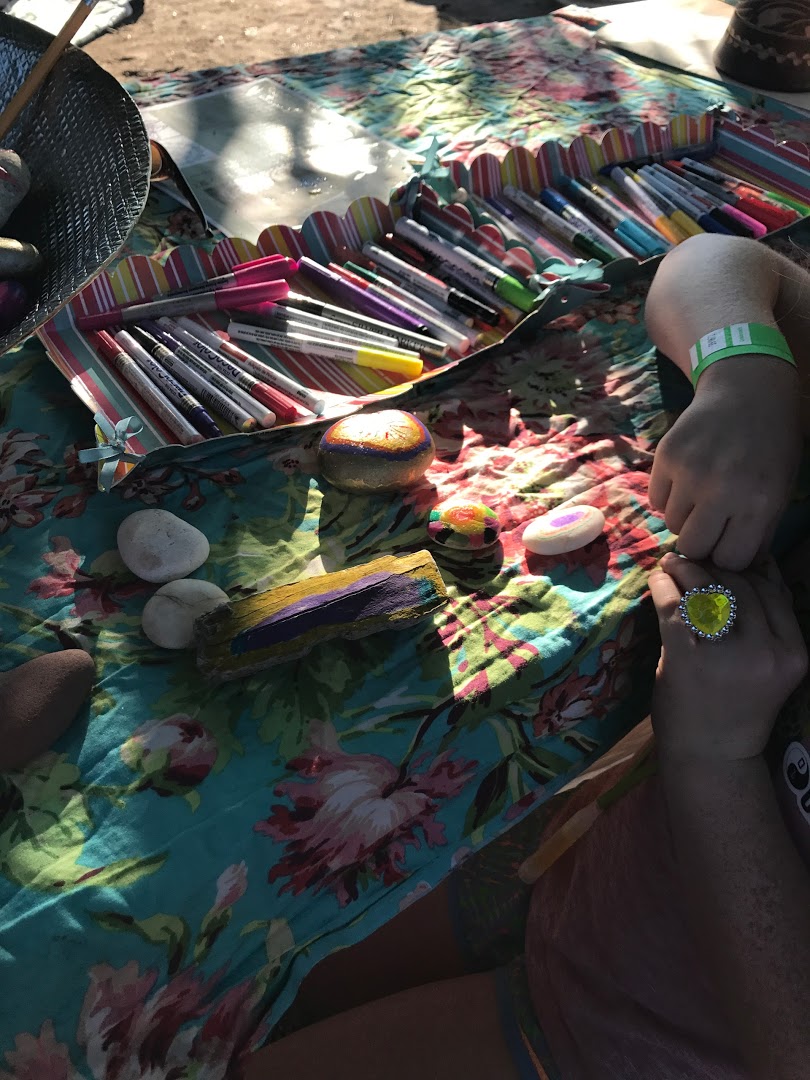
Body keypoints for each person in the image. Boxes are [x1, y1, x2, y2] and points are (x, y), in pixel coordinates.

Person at [240, 235, 810, 1080]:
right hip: (572, 869)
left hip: (618, 1032)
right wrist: (745, 368)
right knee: (260, 983)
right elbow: (716, 265)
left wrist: (715, 757)